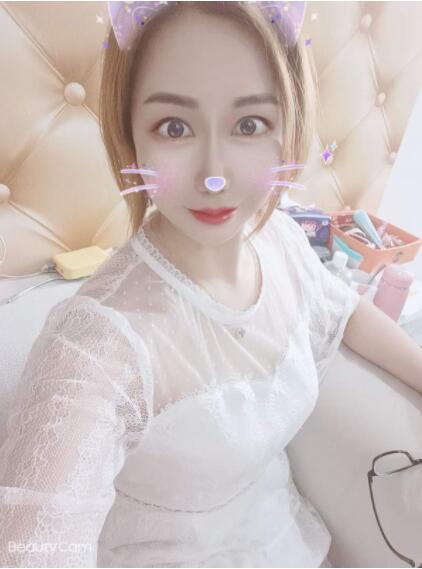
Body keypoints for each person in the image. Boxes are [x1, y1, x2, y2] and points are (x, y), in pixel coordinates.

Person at [0, 2, 360, 566]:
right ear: (129, 133)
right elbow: (34, 546)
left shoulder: (282, 242)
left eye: (249, 125)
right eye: (174, 127)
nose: (213, 175)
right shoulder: (96, 345)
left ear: (288, 124)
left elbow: (346, 309)